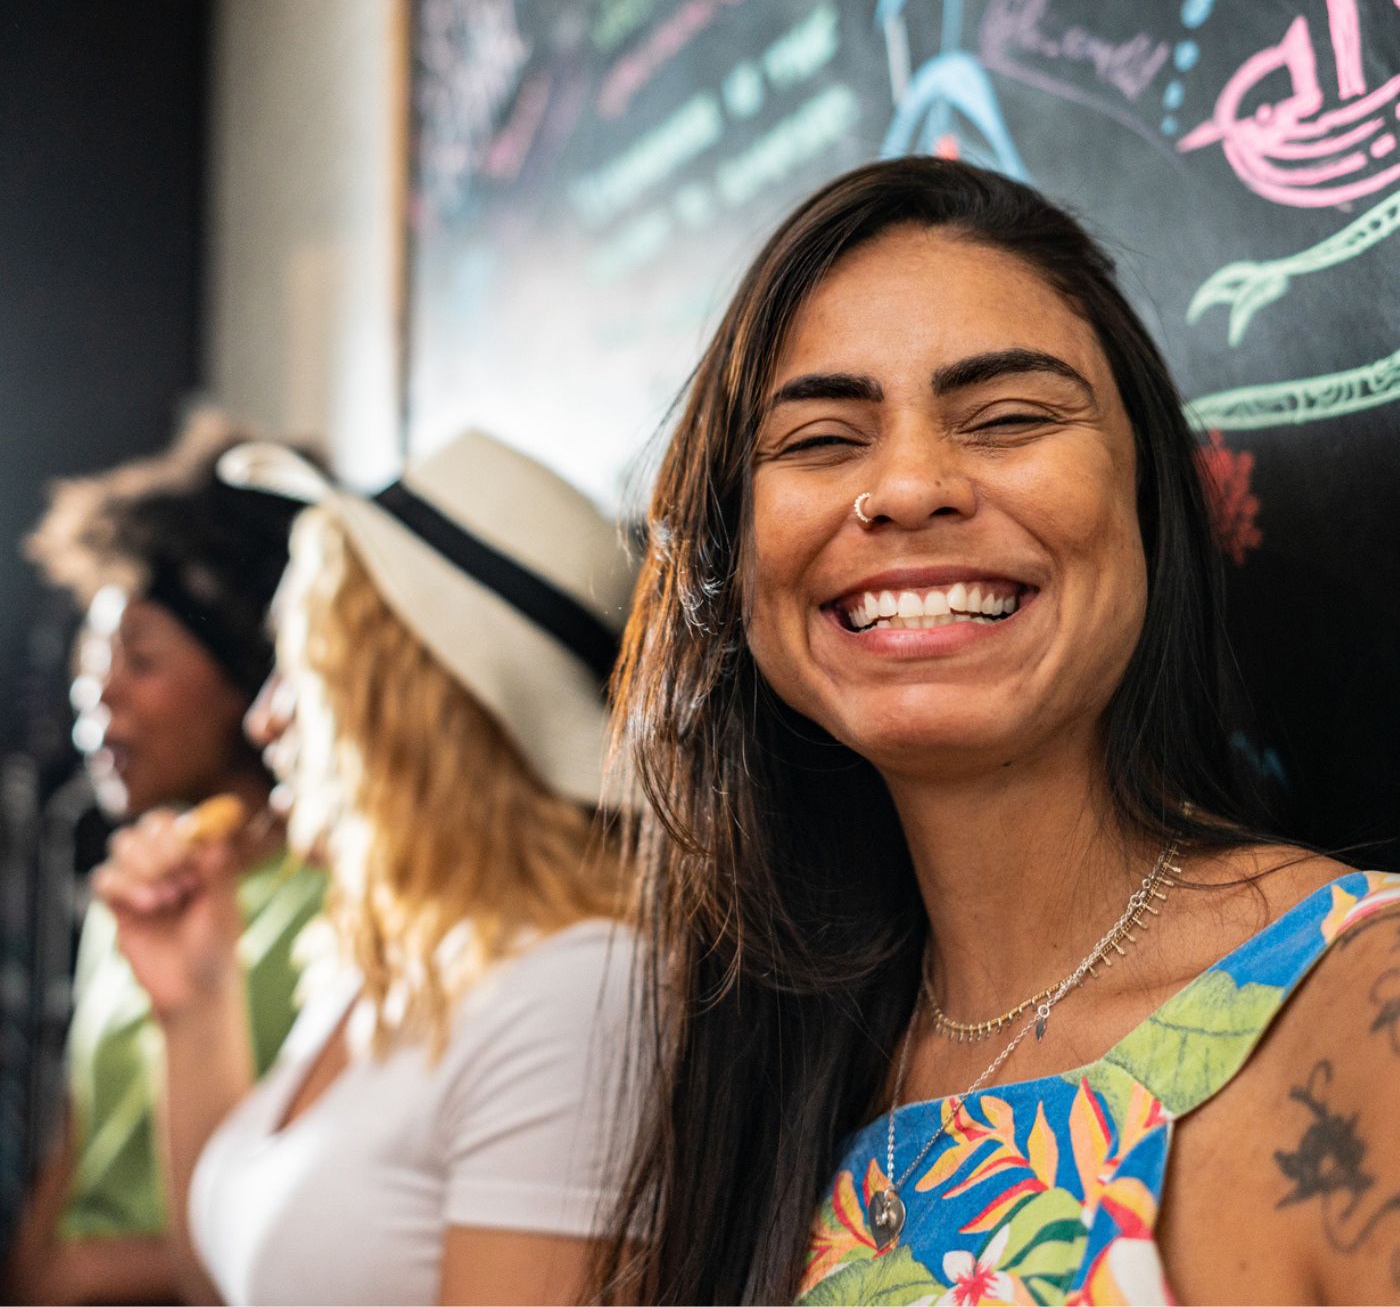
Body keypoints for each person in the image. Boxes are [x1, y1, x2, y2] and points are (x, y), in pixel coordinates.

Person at [597, 157, 1400, 1305]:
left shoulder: (1360, 1005)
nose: (909, 484)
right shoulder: (765, 1070)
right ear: (734, 563)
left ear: (1147, 508)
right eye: (821, 439)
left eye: (1009, 416)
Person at [93, 430, 639, 1306]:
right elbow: (225, 1282)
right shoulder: (388, 960)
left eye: (298, 673)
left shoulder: (580, 996)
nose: (265, 722)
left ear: (408, 711)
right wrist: (194, 1001)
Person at [6, 413, 326, 1305]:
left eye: (139, 659)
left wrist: (91, 1279)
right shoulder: (144, 884)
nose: (96, 693)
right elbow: (79, 1147)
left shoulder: (329, 902)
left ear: (246, 682)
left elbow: (329, 1208)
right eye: (92, 658)